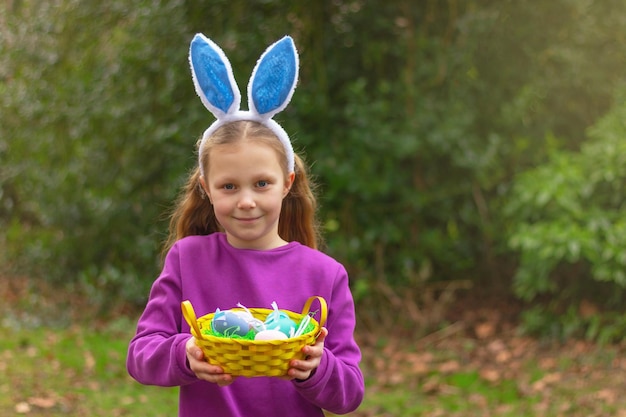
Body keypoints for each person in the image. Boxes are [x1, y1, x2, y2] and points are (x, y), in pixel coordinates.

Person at [126, 34, 364, 417]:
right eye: (229, 186)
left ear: (287, 183)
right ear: (207, 189)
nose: (247, 200)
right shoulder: (187, 259)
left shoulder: (325, 275)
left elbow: (350, 392)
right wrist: (184, 353)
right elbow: (141, 354)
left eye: (262, 183)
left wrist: (318, 369)